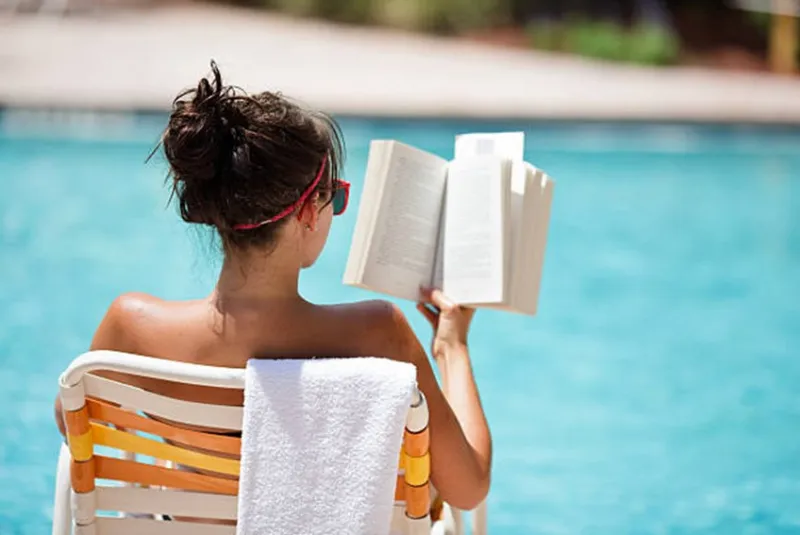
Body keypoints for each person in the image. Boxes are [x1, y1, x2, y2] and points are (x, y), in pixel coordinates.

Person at [54, 61, 492, 513]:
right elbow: (469, 488)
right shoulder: (379, 334)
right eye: (336, 196)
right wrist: (452, 347)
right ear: (309, 211)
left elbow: (75, 427)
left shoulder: (130, 328)